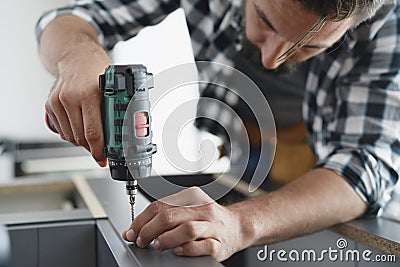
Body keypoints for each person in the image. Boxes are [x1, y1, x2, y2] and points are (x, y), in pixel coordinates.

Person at [36, 0, 400, 262]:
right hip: (246, 149)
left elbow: (366, 164)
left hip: (315, 169)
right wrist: (76, 56)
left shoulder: (389, 21)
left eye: (309, 47)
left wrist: (240, 224)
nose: (272, 58)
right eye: (267, 22)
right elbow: (73, 18)